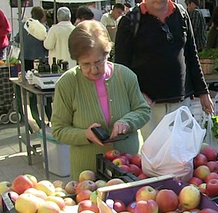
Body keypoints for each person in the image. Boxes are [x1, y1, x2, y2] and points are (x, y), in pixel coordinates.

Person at [114, 0, 214, 138]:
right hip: (148, 106)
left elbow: (191, 54)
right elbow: (120, 67)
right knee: (154, 157)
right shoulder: (130, 21)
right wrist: (138, 94)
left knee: (181, 156)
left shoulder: (181, 14)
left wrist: (203, 91)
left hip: (181, 102)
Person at [51, 21, 151, 177]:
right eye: (85, 64)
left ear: (107, 53)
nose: (93, 70)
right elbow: (58, 130)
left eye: (98, 62)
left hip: (129, 168)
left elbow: (143, 110)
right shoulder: (67, 84)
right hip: (87, 172)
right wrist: (85, 134)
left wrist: (127, 122)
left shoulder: (126, 76)